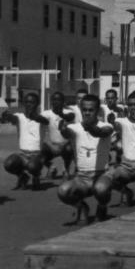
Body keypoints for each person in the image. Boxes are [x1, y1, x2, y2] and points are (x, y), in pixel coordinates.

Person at [57, 94, 114, 225]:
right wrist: (63, 129)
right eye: (85, 110)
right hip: (81, 178)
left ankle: (102, 206)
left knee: (101, 189)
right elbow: (68, 133)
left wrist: (89, 127)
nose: (87, 113)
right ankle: (82, 207)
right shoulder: (75, 128)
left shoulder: (106, 126)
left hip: (101, 175)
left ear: (98, 111)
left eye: (91, 110)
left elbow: (101, 132)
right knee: (63, 191)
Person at [1, 92, 48, 191]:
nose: (29, 104)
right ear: (23, 104)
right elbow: (13, 119)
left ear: (37, 104)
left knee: (32, 166)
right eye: (27, 102)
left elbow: (45, 121)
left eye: (32, 102)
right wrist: (7, 116)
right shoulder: (20, 116)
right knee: (8, 164)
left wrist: (34, 116)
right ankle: (22, 176)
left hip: (37, 155)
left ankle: (36, 177)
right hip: (22, 154)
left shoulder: (42, 117)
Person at [40, 92, 73, 180]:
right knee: (38, 148)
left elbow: (70, 117)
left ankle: (66, 170)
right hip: (53, 145)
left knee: (69, 149)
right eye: (54, 99)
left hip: (67, 144)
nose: (56, 102)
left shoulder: (69, 112)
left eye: (59, 100)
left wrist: (61, 114)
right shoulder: (46, 113)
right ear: (51, 101)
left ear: (63, 101)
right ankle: (51, 167)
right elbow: (41, 119)